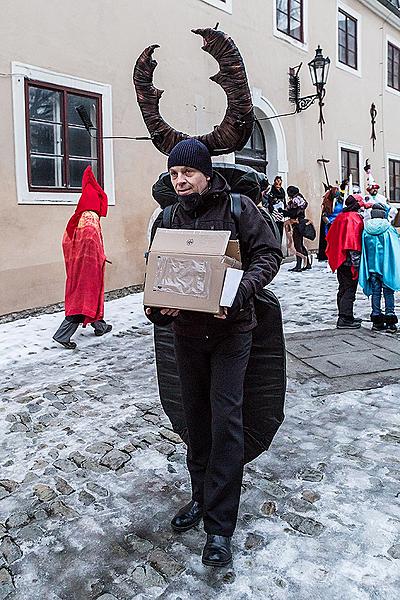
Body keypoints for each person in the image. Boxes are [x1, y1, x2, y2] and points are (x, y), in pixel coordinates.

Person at [145, 138, 282, 567]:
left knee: (226, 421)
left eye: (188, 173)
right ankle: (201, 498)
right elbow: (157, 272)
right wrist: (157, 308)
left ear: (206, 173)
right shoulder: (167, 217)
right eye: (174, 174)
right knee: (195, 419)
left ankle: (220, 526)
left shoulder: (240, 209)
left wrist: (242, 290)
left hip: (231, 333)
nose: (181, 181)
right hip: (186, 334)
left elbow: (267, 256)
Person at [53, 167, 112, 349]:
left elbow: (66, 242)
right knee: (84, 297)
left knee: (90, 295)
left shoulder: (77, 217)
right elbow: (92, 242)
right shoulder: (90, 218)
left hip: (78, 264)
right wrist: (99, 257)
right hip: (87, 266)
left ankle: (100, 326)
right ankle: (63, 334)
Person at [359, 204, 400, 333]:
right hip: (386, 267)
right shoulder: (388, 229)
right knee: (388, 292)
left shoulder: (366, 229)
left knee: (375, 293)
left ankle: (376, 320)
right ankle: (390, 320)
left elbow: (363, 248)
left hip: (372, 268)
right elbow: (395, 246)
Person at [325, 194, 364, 329]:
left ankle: (346, 315)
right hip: (349, 261)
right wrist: (357, 266)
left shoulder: (340, 217)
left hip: (340, 259)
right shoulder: (354, 219)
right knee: (349, 289)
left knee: (342, 288)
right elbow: (353, 244)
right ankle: (345, 318)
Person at [284, 185, 311, 272]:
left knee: (297, 245)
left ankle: (299, 265)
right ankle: (307, 264)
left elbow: (295, 212)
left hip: (297, 224)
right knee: (300, 244)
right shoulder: (299, 199)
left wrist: (287, 212)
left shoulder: (296, 200)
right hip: (300, 223)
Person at [263, 176, 286, 240]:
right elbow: (266, 196)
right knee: (274, 227)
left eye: (279, 181)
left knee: (280, 228)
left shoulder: (282, 191)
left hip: (281, 211)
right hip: (273, 210)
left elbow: (284, 200)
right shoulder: (271, 189)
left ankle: (279, 244)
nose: (278, 183)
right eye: (277, 181)